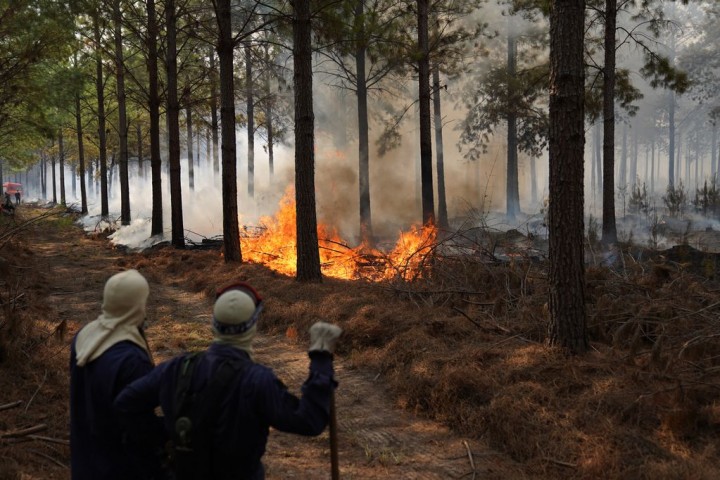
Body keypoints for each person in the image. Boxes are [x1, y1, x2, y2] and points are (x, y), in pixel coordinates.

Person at [115, 281, 342, 480]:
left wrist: (174, 434)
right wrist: (321, 357)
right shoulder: (257, 381)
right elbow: (308, 421)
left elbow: (126, 404)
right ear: (252, 328)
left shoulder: (175, 368)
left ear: (213, 325)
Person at [70, 269, 166, 480]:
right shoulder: (131, 361)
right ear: (137, 306)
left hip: (85, 461)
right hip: (118, 467)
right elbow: (140, 430)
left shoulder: (84, 337)